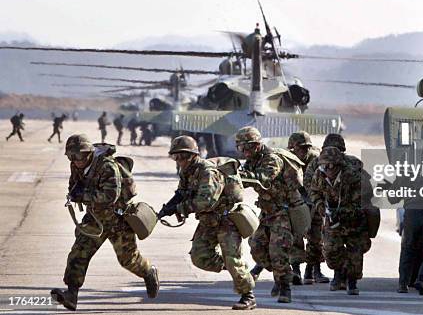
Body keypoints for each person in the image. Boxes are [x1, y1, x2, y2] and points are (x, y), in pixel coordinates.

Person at [50, 134, 159, 311]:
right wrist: (74, 193)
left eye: (78, 156)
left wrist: (83, 196)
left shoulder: (107, 166)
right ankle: (71, 294)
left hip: (119, 220)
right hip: (95, 219)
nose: (75, 160)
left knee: (128, 260)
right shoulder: (76, 166)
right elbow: (74, 186)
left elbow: (110, 196)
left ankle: (148, 272)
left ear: (89, 154)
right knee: (78, 253)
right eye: (71, 157)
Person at [158, 136, 257, 310]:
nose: (179, 161)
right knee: (199, 257)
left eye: (182, 156)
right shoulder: (187, 172)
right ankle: (239, 271)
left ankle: (248, 295)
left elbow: (206, 201)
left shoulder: (208, 172)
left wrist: (180, 209)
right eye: (175, 157)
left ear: (193, 155)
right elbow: (181, 193)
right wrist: (168, 208)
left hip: (226, 220)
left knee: (232, 258)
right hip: (208, 220)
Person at [236, 126, 303, 304]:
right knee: (256, 247)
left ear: (256, 145)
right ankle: (278, 276)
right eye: (241, 148)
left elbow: (263, 178)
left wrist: (239, 176)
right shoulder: (253, 160)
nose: (244, 152)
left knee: (278, 252)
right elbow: (244, 180)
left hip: (283, 212)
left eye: (246, 148)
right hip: (267, 211)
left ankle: (285, 287)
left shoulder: (272, 159)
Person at [310, 146, 373, 295]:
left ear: (338, 165)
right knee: (331, 252)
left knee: (355, 256)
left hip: (354, 221)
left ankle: (351, 281)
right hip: (332, 221)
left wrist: (342, 212)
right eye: (324, 165)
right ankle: (338, 274)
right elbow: (314, 192)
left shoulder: (353, 177)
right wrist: (321, 207)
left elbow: (361, 202)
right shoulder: (320, 174)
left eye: (330, 166)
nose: (327, 169)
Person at [287, 131, 329, 285]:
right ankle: (295, 269)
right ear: (292, 148)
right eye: (301, 148)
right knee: (296, 236)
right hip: (295, 201)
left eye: (307, 148)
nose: (304, 151)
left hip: (314, 200)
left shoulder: (317, 159)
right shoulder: (286, 160)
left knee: (316, 236)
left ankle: (313, 270)